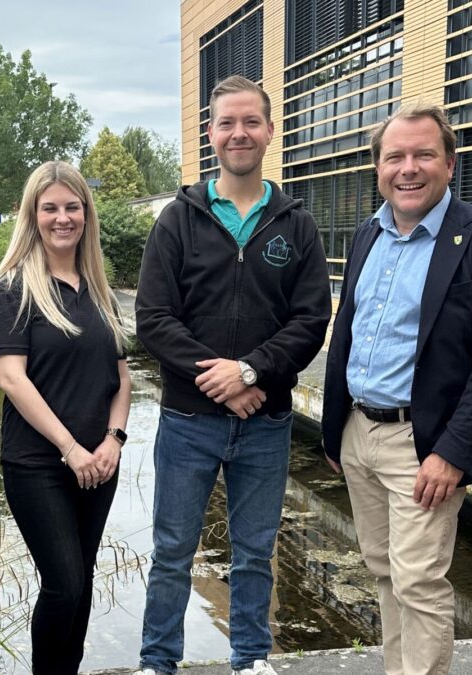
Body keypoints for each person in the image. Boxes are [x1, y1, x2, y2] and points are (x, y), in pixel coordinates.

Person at [133, 75, 331, 675]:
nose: (238, 133)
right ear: (210, 134)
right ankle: (158, 661)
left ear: (270, 131)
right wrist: (217, 378)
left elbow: (310, 320)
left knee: (254, 552)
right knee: (172, 551)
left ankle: (250, 658)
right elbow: (153, 318)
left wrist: (250, 372)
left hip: (265, 421)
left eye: (250, 122)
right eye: (226, 123)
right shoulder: (178, 220)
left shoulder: (296, 223)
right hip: (188, 419)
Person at [320, 104, 472, 674]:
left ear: (450, 163)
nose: (408, 169)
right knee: (384, 570)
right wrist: (336, 432)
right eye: (395, 157)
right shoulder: (369, 234)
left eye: (423, 155)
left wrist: (453, 454)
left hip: (424, 444)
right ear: (377, 167)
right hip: (360, 432)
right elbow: (349, 332)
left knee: (418, 580)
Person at [0, 160, 130, 675]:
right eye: (50, 208)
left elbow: (122, 378)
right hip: (39, 464)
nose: (63, 218)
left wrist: (113, 440)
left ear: (86, 212)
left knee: (82, 579)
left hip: (99, 463)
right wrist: (70, 448)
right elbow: (12, 379)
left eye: (72, 206)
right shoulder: (14, 288)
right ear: (32, 216)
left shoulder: (100, 289)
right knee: (63, 583)